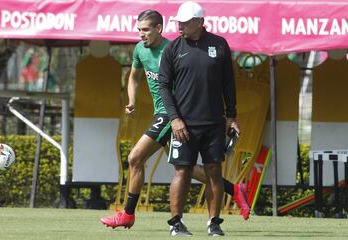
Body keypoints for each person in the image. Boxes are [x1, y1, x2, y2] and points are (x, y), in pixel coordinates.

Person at [100, 9, 249, 231]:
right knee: (185, 168)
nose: (141, 35)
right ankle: (234, 190)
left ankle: (128, 214)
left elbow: (199, 83)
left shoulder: (172, 49)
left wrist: (179, 116)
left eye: (145, 30)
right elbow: (133, 77)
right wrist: (131, 100)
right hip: (171, 115)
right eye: (139, 30)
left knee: (135, 158)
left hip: (173, 115)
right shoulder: (141, 49)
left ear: (158, 29)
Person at [159, 1, 244, 236]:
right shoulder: (172, 49)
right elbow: (163, 87)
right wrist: (174, 119)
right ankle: (176, 222)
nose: (180, 27)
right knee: (182, 171)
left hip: (215, 123)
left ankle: (214, 223)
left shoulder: (219, 44)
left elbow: (229, 82)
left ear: (200, 22)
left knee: (213, 171)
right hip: (183, 125)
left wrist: (232, 116)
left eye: (185, 23)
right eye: (178, 23)